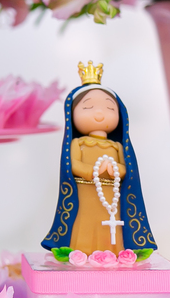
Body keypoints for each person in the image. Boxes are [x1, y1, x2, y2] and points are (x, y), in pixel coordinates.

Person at [42, 62, 158, 257]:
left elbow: (127, 169)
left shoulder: (117, 147)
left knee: (112, 229)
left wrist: (114, 168)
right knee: (84, 223)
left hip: (111, 196)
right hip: (85, 193)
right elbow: (73, 165)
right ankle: (80, 254)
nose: (99, 113)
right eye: (88, 107)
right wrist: (94, 170)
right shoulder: (78, 143)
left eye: (110, 108)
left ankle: (113, 254)